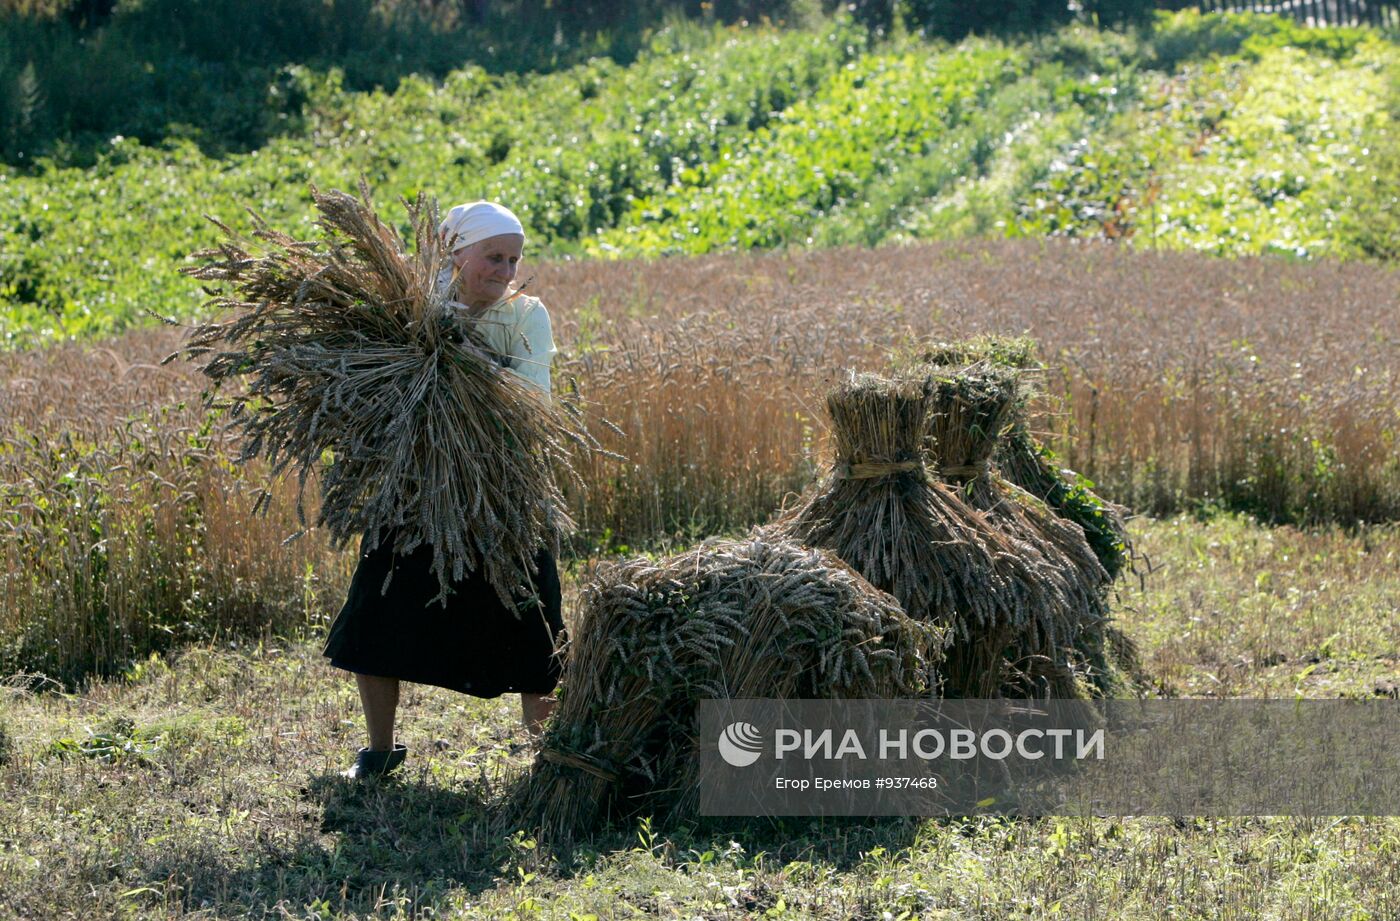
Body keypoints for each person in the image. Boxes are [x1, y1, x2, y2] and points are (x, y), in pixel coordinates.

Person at [322, 201, 564, 780]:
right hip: (416, 489)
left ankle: (546, 767)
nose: (505, 271)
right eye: (493, 257)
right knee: (379, 618)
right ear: (457, 254)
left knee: (534, 627)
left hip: (503, 493)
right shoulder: (409, 308)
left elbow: (536, 402)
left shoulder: (526, 317)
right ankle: (378, 754)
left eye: (513, 259)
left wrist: (457, 363)